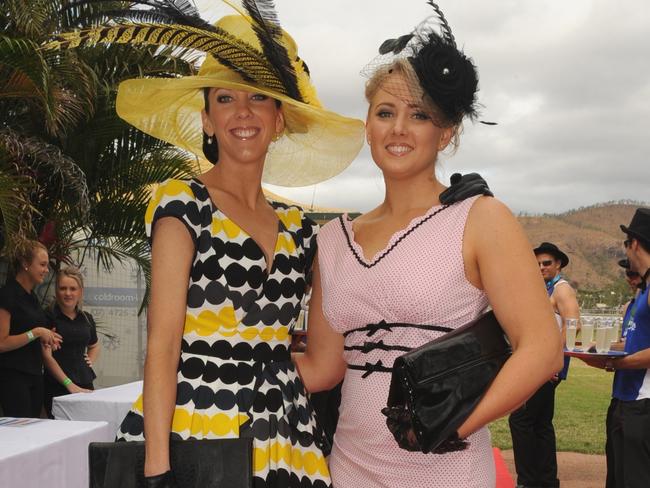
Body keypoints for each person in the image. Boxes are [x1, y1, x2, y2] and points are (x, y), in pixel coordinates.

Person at [54, 6, 366, 487]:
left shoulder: (304, 229)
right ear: (206, 118)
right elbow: (162, 344)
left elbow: (326, 366)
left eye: (259, 98)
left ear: (279, 118)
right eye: (225, 99)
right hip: (193, 430)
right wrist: (157, 469)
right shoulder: (184, 205)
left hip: (284, 440)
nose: (243, 112)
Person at [293, 4, 563, 487]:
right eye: (385, 112)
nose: (398, 129)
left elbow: (542, 349)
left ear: (446, 132)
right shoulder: (332, 240)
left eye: (418, 114)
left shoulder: (481, 219)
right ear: (368, 126)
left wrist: (452, 426)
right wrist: (227, 357)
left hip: (449, 471)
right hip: (349, 470)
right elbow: (324, 367)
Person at [582, 207, 650, 488]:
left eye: (626, 244)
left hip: (643, 404)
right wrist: (598, 350)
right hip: (625, 400)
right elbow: (635, 341)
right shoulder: (643, 290)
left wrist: (616, 362)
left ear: (633, 243)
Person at [508, 241, 580, 488]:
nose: (541, 267)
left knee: (521, 419)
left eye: (547, 263)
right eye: (537, 263)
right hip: (539, 365)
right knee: (539, 423)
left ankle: (528, 481)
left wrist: (555, 362)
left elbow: (573, 325)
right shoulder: (543, 289)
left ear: (558, 264)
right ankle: (546, 481)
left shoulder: (561, 289)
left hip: (546, 367)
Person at [0, 239, 62, 417]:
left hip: (35, 374)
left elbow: (31, 332)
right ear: (26, 264)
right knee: (21, 432)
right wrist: (36, 332)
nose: (46, 270)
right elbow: (2, 343)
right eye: (42, 264)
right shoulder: (7, 295)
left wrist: (48, 337)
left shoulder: (32, 297)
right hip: (13, 376)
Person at [42, 267, 100, 418]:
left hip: (85, 383)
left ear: (80, 291)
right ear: (56, 290)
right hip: (57, 385)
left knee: (88, 429)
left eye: (73, 289)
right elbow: (46, 357)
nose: (68, 293)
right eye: (63, 288)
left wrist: (90, 360)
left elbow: (94, 345)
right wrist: (69, 385)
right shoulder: (47, 317)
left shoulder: (86, 318)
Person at [618, 258, 642, 340]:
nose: (629, 279)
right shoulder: (628, 307)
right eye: (628, 274)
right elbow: (625, 341)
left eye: (633, 274)